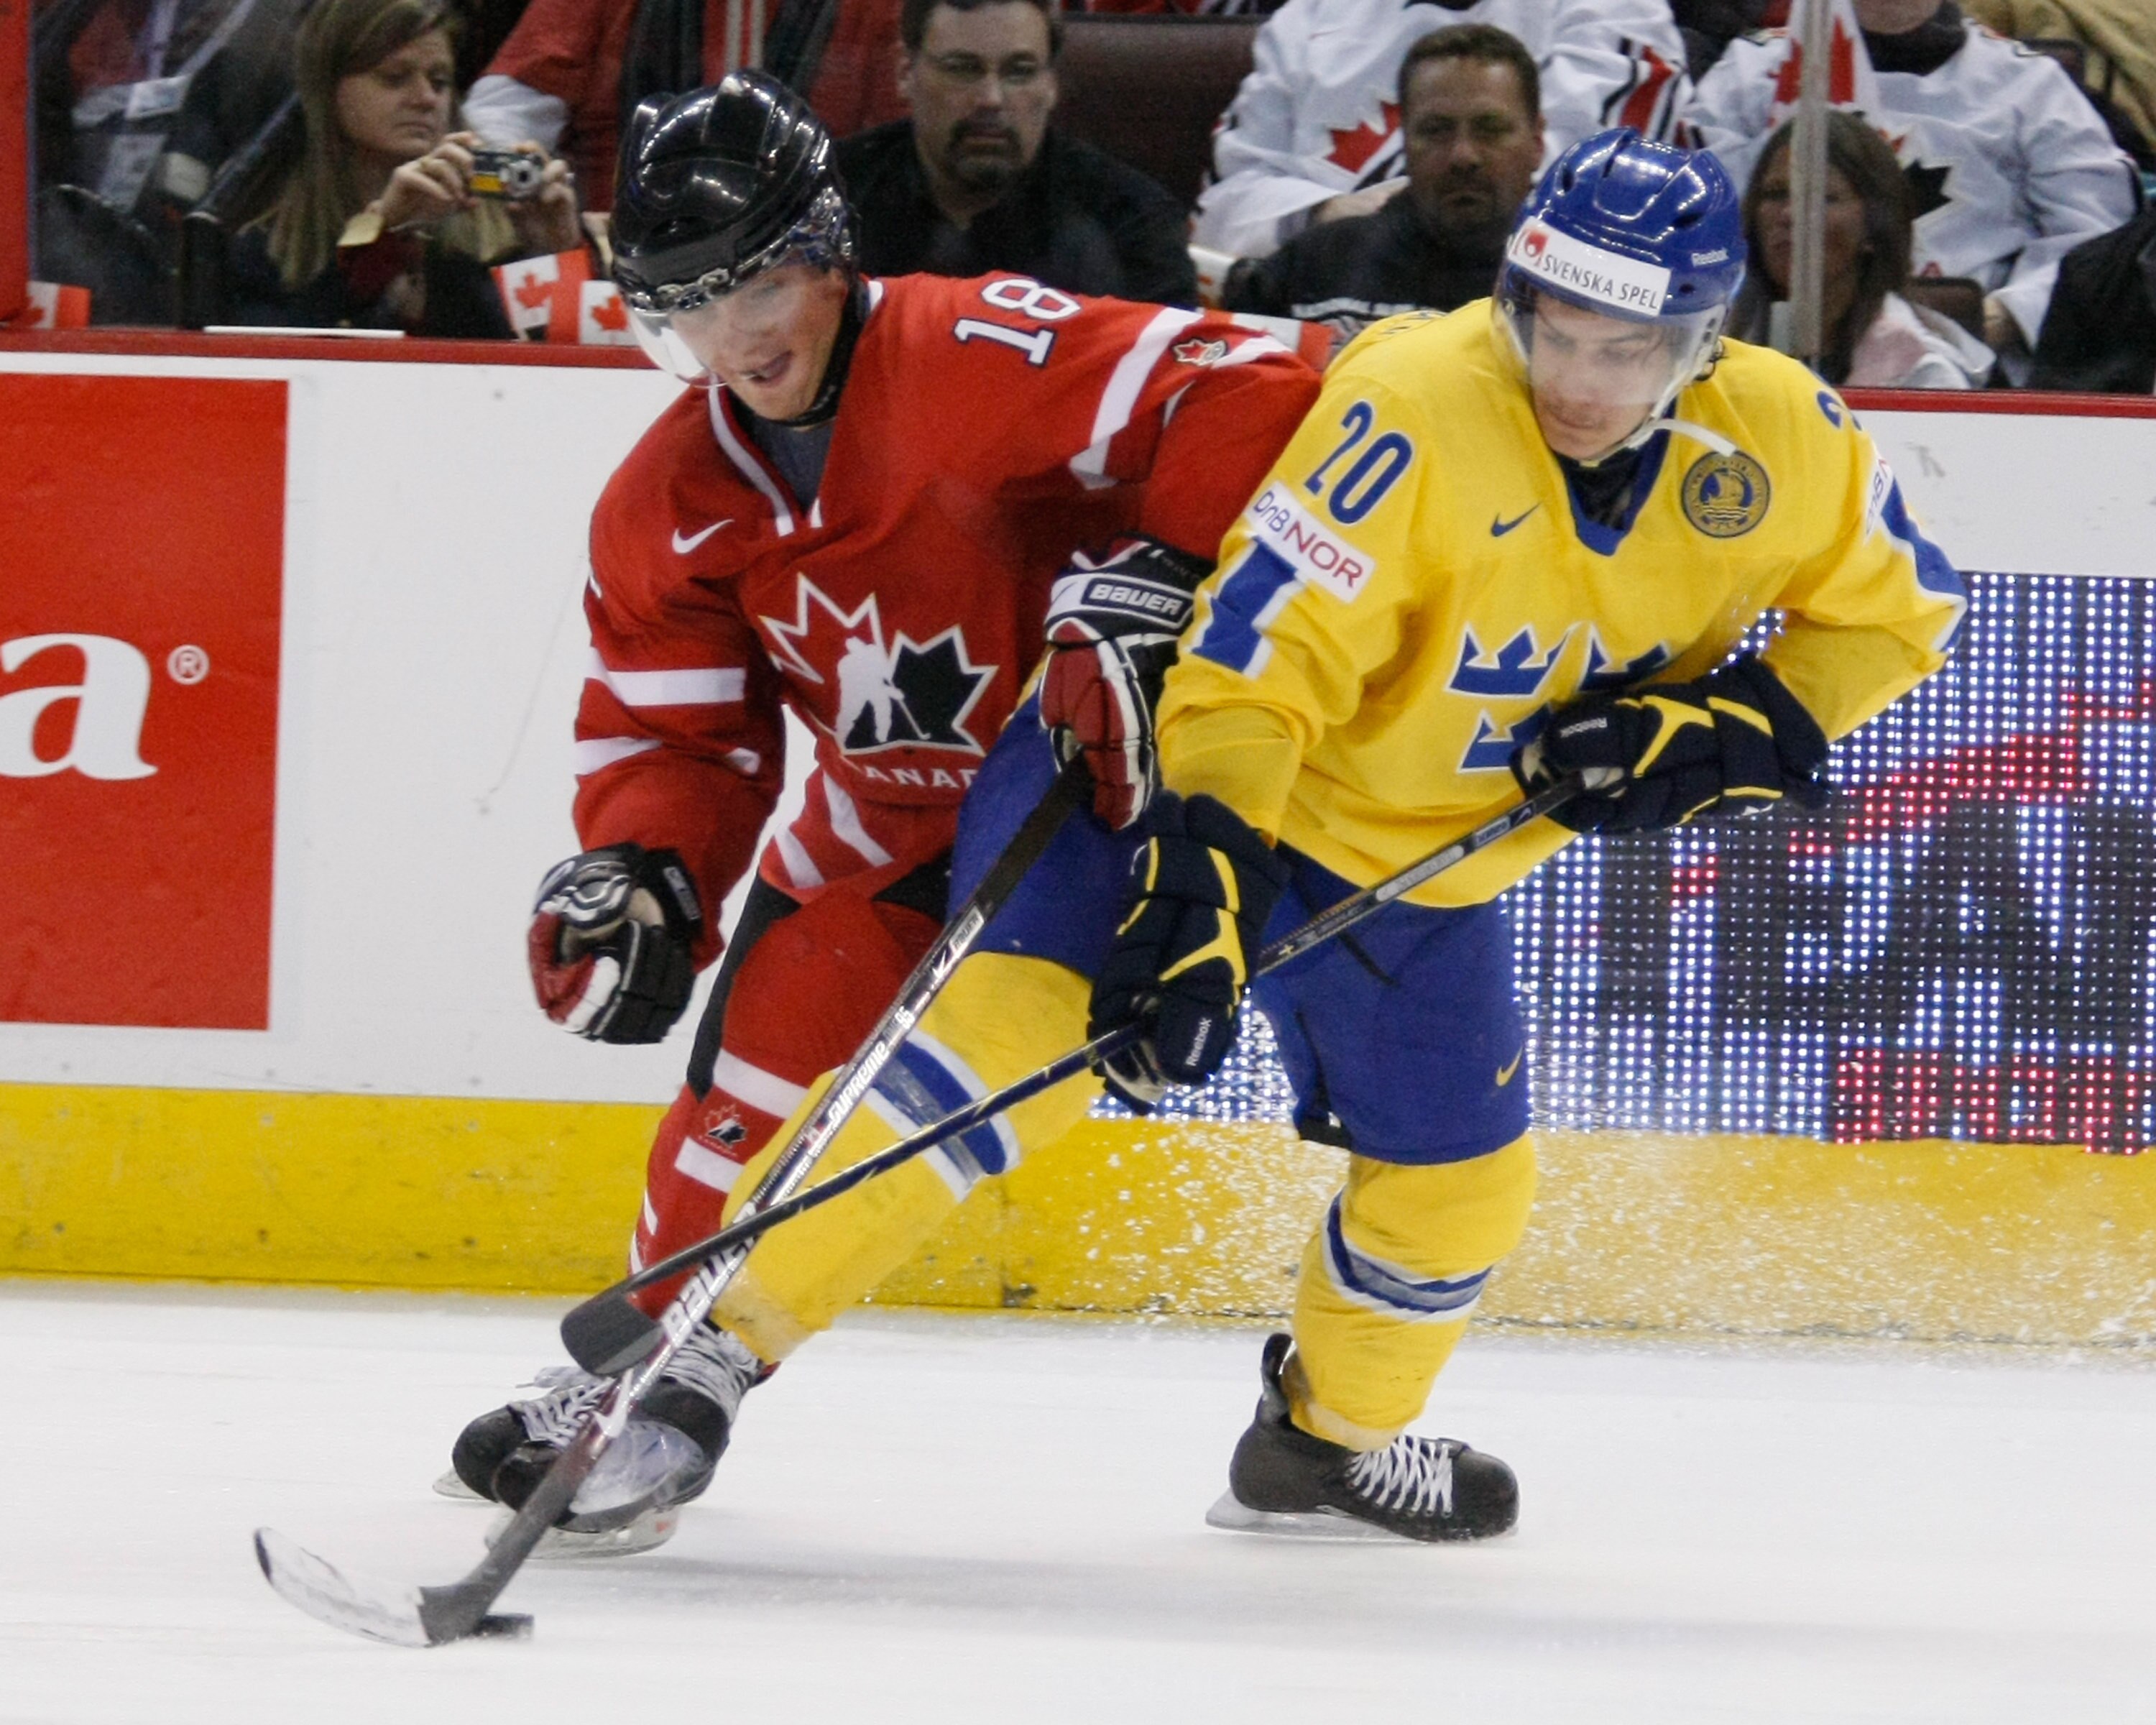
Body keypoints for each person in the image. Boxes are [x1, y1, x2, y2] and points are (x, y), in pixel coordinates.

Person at [446, 72, 1318, 1547]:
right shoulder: (665, 500)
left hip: (1078, 798)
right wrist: (646, 868)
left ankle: (709, 1370)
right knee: (738, 1111)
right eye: (691, 309)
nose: (740, 339)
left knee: (921, 1115)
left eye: (761, 284)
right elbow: (679, 733)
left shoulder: (978, 347)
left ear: (829, 248)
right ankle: (634, 1374)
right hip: (876, 830)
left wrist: (1164, 568)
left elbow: (1253, 378)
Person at [1086, 129, 1967, 1538]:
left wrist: (1742, 728)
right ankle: (719, 1346)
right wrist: (1197, 877)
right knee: (981, 1062)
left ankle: (1320, 1441)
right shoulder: (1416, 401)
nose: (1578, 380)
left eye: (1627, 349)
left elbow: (1901, 616)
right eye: (1553, 330)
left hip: (1426, 886)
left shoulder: (1785, 435)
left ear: (1703, 342)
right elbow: (1260, 667)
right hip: (1239, 805)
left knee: (1464, 1196)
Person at [1680, 0, 2140, 372]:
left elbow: (2099, 243)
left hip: (1979, 374)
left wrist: (2007, 316)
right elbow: (1694, 223)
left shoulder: (2032, 86)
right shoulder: (1751, 72)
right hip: (1768, 350)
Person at [1192, 0, 1691, 262]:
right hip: (1320, 304)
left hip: (1523, 321)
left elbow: (1596, 203)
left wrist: (1400, 222)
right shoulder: (1309, 18)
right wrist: (1326, 213)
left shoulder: (1618, 13)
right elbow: (1223, 211)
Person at [224, 0, 584, 335]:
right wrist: (380, 240)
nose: (426, 99)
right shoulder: (262, 246)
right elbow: (289, 353)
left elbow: (561, 362)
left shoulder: (496, 234)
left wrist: (556, 254)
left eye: (440, 82)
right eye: (394, 78)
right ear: (329, 89)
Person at [834, 0, 1199, 306]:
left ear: (1051, 83)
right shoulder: (829, 195)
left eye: (1019, 72)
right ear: (905, 73)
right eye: (963, 69)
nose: (991, 99)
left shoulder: (1130, 224)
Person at [1221, 23, 1545, 341]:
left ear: (1537, 141)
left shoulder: (1570, 283)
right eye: (1436, 130)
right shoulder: (1312, 270)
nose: (1463, 155)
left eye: (1490, 128)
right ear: (1405, 141)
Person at [1728, 110, 1993, 387]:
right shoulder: (1710, 347)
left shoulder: (1923, 375)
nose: (1789, 214)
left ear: (1874, 225)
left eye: (1820, 197)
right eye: (1775, 194)